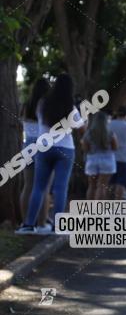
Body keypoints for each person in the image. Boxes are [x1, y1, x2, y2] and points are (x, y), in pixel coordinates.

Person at [16, 74, 82, 235]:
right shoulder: (70, 107)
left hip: (43, 147)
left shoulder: (41, 104)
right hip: (65, 148)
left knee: (37, 187)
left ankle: (28, 225)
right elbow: (80, 126)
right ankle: (57, 226)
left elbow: (39, 123)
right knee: (60, 188)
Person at [19, 78, 51, 226]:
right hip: (43, 145)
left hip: (27, 146)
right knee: (44, 187)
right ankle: (41, 222)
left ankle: (26, 220)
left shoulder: (26, 105)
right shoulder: (46, 105)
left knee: (28, 185)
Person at [81, 110, 118, 200]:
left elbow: (85, 149)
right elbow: (115, 147)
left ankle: (89, 209)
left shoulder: (89, 133)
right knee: (102, 186)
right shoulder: (110, 133)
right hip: (107, 160)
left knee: (92, 186)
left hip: (92, 159)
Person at [108, 107, 126, 199]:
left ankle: (107, 204)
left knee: (110, 182)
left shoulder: (109, 124)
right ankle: (117, 205)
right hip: (125, 157)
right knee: (121, 183)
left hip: (110, 155)